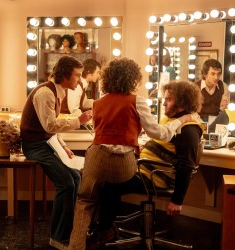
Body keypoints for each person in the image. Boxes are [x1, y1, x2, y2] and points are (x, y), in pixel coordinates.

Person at [68, 59, 197, 250]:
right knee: (112, 184)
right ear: (133, 78)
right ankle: (104, 229)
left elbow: (101, 131)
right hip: (122, 164)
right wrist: (181, 121)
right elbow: (160, 133)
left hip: (96, 156)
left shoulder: (98, 103)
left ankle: (79, 244)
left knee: (85, 200)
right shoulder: (137, 101)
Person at [20, 55, 92, 250]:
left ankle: (67, 231)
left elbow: (51, 129)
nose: (80, 80)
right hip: (35, 146)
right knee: (67, 184)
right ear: (65, 75)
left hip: (47, 143)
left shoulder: (58, 92)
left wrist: (62, 144)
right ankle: (58, 238)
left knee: (76, 177)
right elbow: (49, 124)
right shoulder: (45, 93)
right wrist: (79, 121)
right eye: (77, 75)